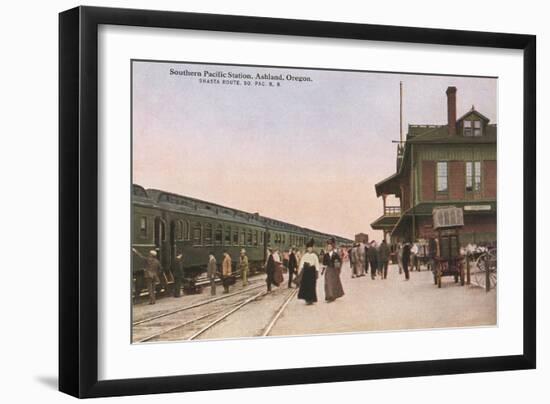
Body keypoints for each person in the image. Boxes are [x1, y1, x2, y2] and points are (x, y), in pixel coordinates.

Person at [297, 239, 320, 305]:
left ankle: (311, 299)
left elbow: (317, 264)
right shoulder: (305, 256)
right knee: (306, 285)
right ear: (307, 249)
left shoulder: (314, 256)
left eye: (311, 248)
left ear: (312, 248)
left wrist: (317, 272)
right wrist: (300, 271)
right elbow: (301, 264)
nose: (310, 249)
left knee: (312, 286)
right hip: (306, 272)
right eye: (308, 248)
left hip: (312, 271)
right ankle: (307, 299)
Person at [322, 238, 344, 302]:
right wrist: (323, 270)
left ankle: (333, 296)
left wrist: (338, 271)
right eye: (328, 246)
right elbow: (324, 263)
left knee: (333, 283)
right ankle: (329, 296)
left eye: (330, 246)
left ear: (332, 247)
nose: (329, 247)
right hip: (328, 270)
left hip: (334, 270)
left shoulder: (335, 255)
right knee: (328, 283)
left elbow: (338, 263)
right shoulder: (326, 255)